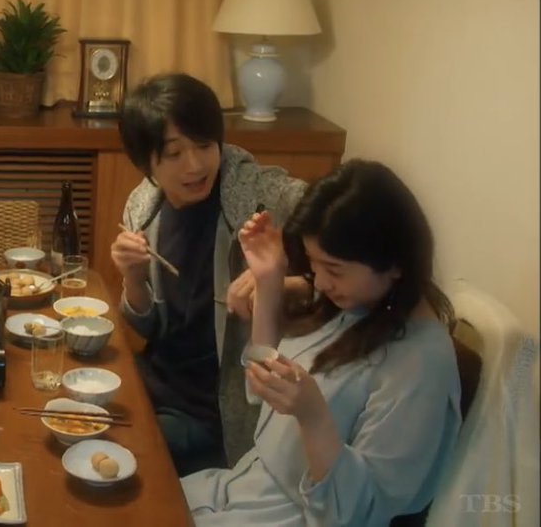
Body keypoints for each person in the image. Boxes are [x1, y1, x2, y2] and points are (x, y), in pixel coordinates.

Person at [181, 159, 461, 526]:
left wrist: (313, 417)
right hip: (245, 486)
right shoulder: (359, 305)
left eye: (334, 269)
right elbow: (264, 388)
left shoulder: (423, 364)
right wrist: (269, 279)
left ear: (395, 263)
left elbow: (357, 511)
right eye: (314, 265)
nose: (321, 282)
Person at [111, 73, 311, 476]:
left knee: (115, 456)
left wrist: (280, 281)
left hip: (217, 414)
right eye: (174, 153)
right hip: (153, 386)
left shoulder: (259, 195)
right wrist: (132, 278)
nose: (196, 164)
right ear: (146, 162)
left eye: (204, 145)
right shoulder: (143, 206)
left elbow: (348, 255)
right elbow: (149, 328)